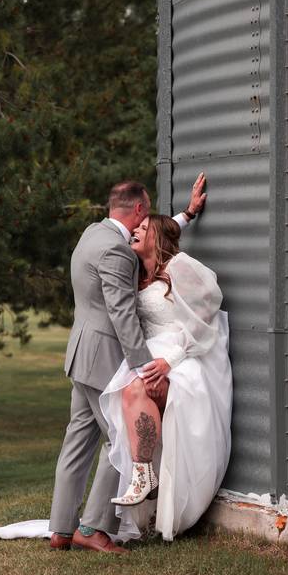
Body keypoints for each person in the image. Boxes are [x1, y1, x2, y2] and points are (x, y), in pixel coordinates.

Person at [48, 174, 206, 554]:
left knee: (78, 441)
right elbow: (122, 315)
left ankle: (61, 528)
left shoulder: (93, 234)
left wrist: (186, 215)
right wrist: (141, 368)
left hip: (80, 354)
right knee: (121, 437)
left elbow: (152, 239)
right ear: (138, 209)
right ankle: (93, 527)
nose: (146, 220)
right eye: (146, 212)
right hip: (105, 357)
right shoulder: (117, 252)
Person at [99, 214, 231, 541]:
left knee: (133, 387)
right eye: (135, 227)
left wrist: (170, 361)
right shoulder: (135, 272)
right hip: (149, 354)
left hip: (183, 356)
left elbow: (208, 315)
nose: (136, 232)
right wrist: (185, 212)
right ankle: (144, 474)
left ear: (157, 237)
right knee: (131, 391)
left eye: (144, 229)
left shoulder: (178, 267)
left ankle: (145, 477)